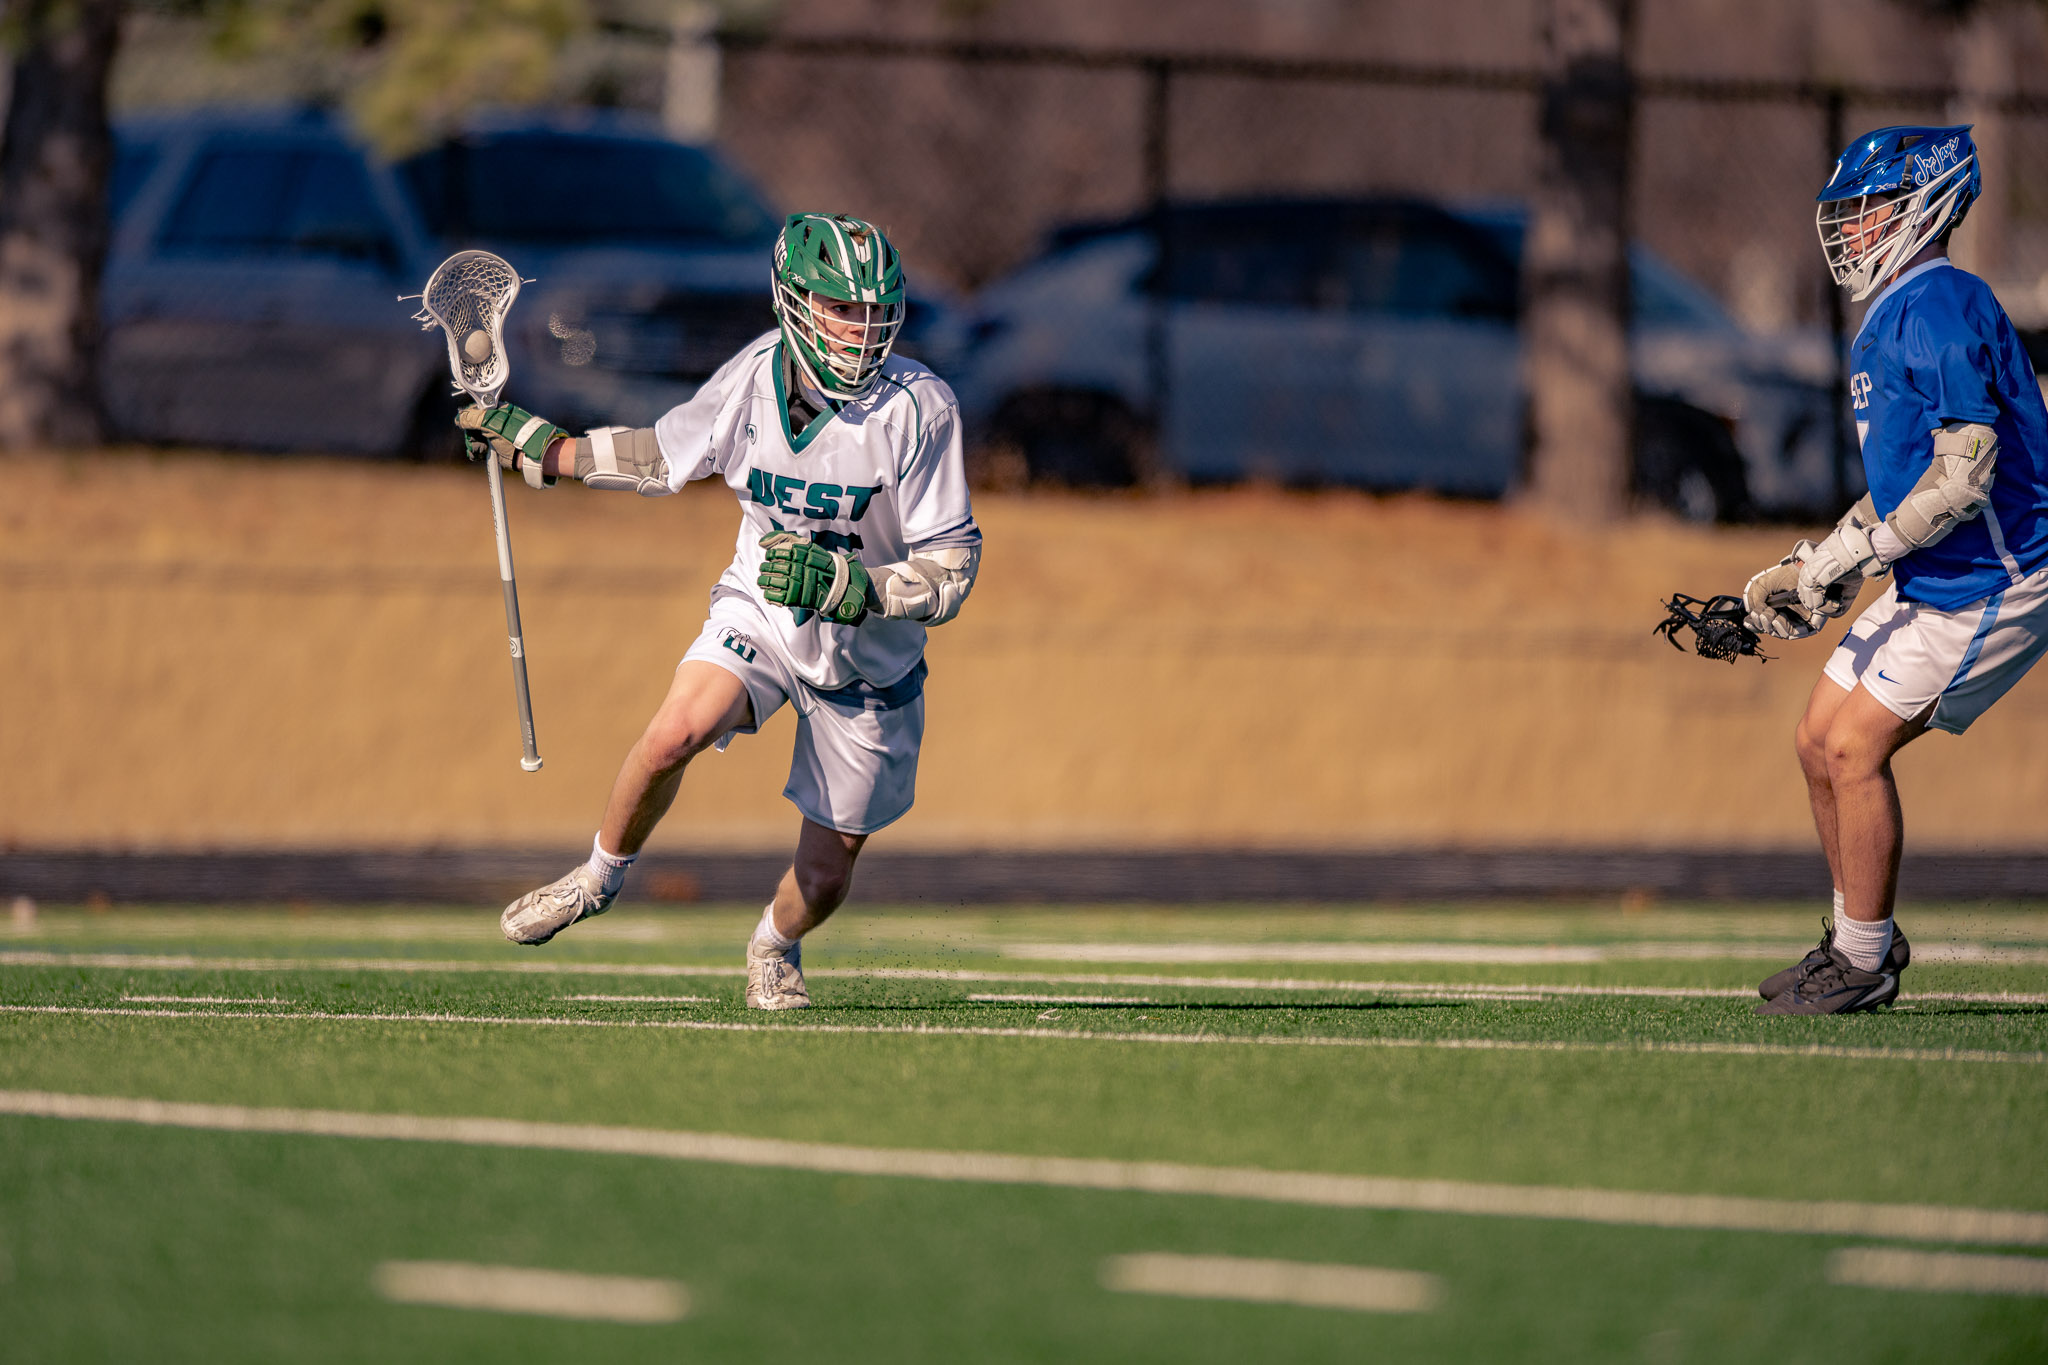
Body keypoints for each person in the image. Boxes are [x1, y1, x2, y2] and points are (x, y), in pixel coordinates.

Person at [456, 213, 980, 1010]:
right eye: (843, 308)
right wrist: (546, 450)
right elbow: (661, 457)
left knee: (826, 872)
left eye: (875, 311)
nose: (862, 328)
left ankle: (774, 943)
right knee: (674, 732)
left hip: (872, 659)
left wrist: (855, 588)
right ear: (795, 301)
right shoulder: (753, 377)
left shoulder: (919, 408)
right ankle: (596, 878)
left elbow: (952, 568)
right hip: (765, 610)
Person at [1743, 125, 2048, 1015]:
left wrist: (1865, 554)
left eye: (1868, 210)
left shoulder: (1942, 301)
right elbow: (1907, 485)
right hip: (1940, 576)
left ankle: (1866, 960)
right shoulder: (1898, 314)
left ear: (1923, 207)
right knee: (1814, 736)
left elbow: (1967, 468)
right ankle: (1856, 934)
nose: (1851, 229)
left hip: (2001, 577)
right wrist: (1825, 562)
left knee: (1853, 746)